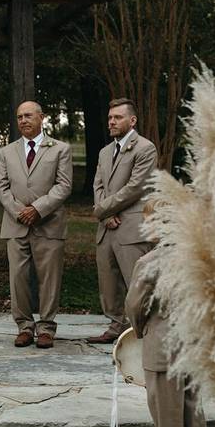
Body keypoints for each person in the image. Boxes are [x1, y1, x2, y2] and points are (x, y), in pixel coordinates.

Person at [124, 202, 210, 427]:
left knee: (164, 401)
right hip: (194, 340)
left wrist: (139, 331)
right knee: (191, 401)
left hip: (162, 341)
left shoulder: (149, 263)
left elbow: (136, 305)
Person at [0, 101, 73, 349]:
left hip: (48, 223)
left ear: (42, 118)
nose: (23, 121)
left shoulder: (60, 149)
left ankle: (47, 327)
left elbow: (63, 186)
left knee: (49, 278)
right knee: (18, 277)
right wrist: (20, 212)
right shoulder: (7, 152)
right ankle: (24, 326)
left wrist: (38, 209)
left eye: (28, 115)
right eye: (19, 117)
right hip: (16, 223)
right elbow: (2, 187)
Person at [88, 98, 158, 344]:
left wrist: (101, 210)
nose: (112, 122)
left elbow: (135, 187)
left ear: (132, 120)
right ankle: (116, 325)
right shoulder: (105, 152)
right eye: (110, 118)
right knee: (108, 281)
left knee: (135, 282)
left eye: (117, 117)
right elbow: (97, 184)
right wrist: (105, 214)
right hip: (108, 226)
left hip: (131, 226)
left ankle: (142, 330)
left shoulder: (145, 148)